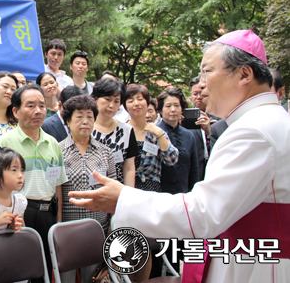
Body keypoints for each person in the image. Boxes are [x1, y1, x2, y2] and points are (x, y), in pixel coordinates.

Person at [69, 29, 290, 283]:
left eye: (207, 71)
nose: (201, 83)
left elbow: (205, 212)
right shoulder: (267, 120)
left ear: (244, 74)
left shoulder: (254, 130)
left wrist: (123, 199)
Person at [0, 84, 68, 282]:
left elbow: (57, 184)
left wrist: (58, 219)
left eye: (42, 106)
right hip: (18, 216)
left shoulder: (53, 144)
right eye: (31, 105)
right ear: (15, 111)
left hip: (47, 214)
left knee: (45, 270)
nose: (38, 111)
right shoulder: (4, 143)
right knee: (20, 269)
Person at [59, 95, 116, 283]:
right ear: (68, 121)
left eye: (90, 116)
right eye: (79, 116)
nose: (85, 121)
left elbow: (113, 190)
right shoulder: (58, 151)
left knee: (91, 278)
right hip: (68, 229)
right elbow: (55, 193)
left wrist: (110, 227)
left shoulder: (105, 152)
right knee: (65, 278)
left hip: (97, 229)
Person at [125, 84, 178, 192]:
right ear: (125, 106)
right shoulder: (121, 131)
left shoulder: (155, 132)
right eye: (130, 101)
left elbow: (171, 160)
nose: (136, 103)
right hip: (125, 188)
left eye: (140, 99)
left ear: (147, 103)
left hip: (151, 191)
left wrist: (159, 135)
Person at [91, 79, 137, 187]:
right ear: (95, 99)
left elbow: (129, 168)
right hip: (89, 190)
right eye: (107, 99)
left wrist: (127, 196)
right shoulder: (85, 128)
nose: (111, 105)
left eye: (116, 101)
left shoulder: (127, 130)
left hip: (116, 193)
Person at [156, 87, 200, 195]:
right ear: (160, 110)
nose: (173, 109)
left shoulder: (189, 135)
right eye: (168, 106)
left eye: (176, 105)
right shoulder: (154, 132)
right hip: (159, 194)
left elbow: (194, 169)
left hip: (183, 194)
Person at [189, 76, 217, 180]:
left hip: (214, 166)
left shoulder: (219, 116)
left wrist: (210, 130)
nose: (199, 97)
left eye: (201, 93)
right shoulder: (183, 118)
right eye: (195, 94)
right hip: (195, 169)